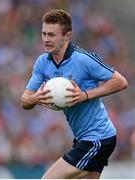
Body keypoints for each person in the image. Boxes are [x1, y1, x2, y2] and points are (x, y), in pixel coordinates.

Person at [20, 9, 128, 179]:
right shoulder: (42, 62)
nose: (46, 39)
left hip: (98, 138)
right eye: (44, 33)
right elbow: (24, 100)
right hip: (83, 138)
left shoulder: (83, 59)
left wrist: (85, 95)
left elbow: (120, 81)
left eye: (52, 35)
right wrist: (35, 99)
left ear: (67, 36)